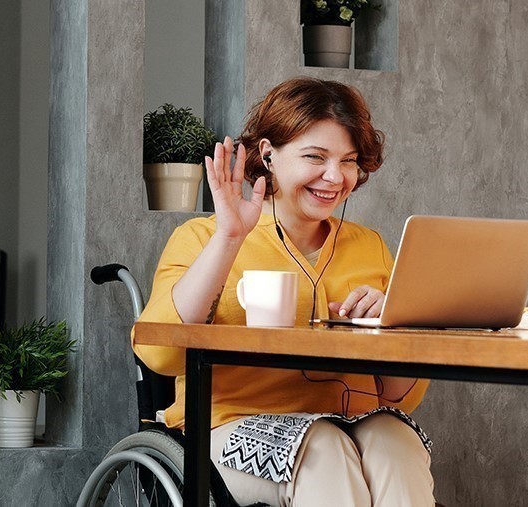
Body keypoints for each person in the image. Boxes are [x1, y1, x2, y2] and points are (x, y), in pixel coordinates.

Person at [133, 77, 435, 506]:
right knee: (324, 448)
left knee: (396, 445)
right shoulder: (202, 238)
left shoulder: (369, 246)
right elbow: (159, 355)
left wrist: (393, 324)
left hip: (356, 422)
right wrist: (229, 238)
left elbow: (398, 394)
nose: (335, 177)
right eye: (315, 157)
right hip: (230, 427)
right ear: (269, 154)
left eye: (348, 161)